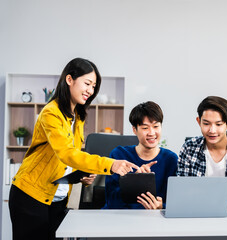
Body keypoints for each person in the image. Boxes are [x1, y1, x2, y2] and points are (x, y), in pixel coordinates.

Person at [8, 58, 139, 240]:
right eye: (87, 84)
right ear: (69, 79)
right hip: (30, 196)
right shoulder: (50, 113)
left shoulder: (77, 116)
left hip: (57, 198)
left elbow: (72, 156)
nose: (90, 91)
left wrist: (81, 175)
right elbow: (66, 154)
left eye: (94, 86)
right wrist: (111, 164)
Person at [103, 101, 178, 210]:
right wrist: (134, 183)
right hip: (122, 219)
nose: (151, 133)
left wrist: (162, 207)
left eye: (156, 126)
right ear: (135, 130)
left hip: (155, 221)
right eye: (145, 128)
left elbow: (175, 203)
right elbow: (110, 201)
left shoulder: (171, 160)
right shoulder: (119, 155)